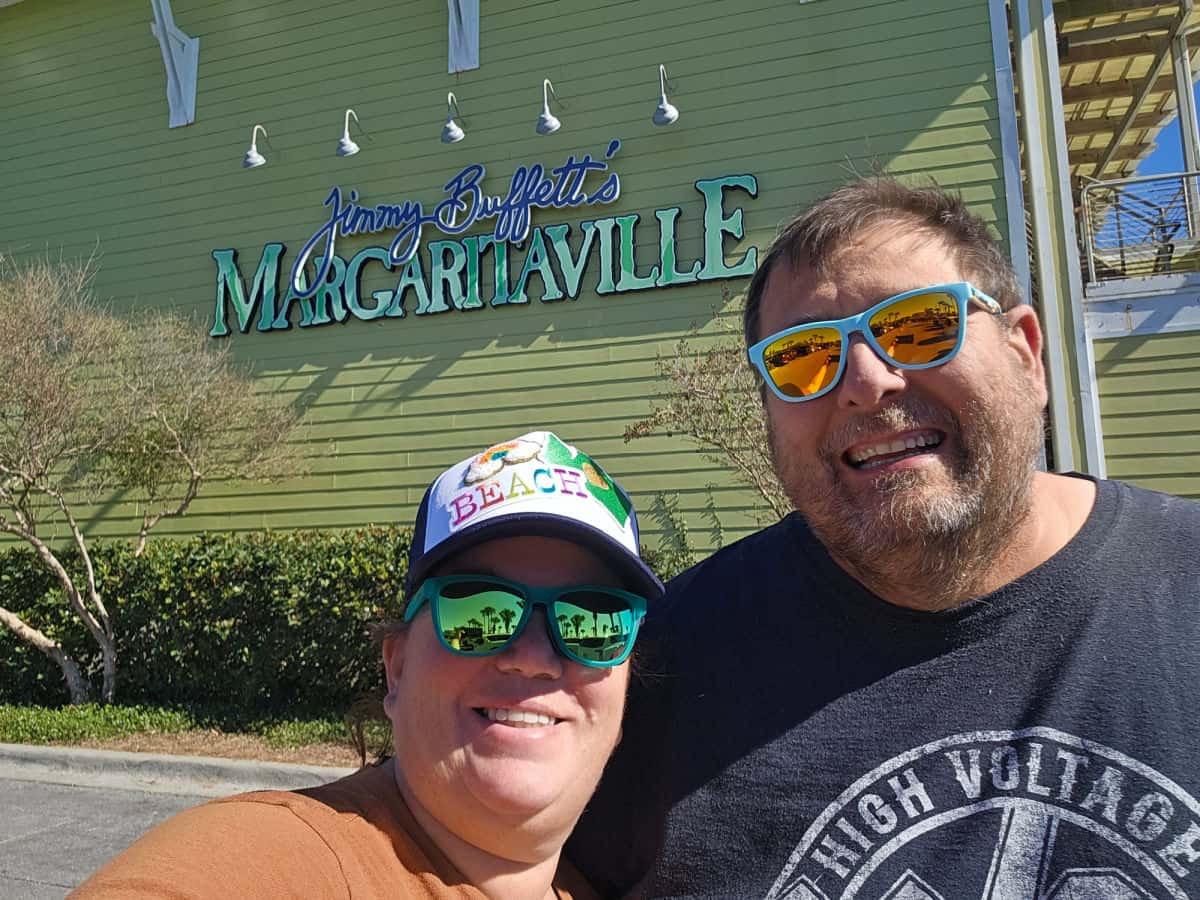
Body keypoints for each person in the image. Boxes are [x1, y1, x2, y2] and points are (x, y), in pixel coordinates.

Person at [568, 178, 1200, 898]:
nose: (865, 381)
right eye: (802, 357)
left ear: (1027, 353)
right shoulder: (665, 664)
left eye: (920, 325)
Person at [74, 430, 663, 899]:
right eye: (480, 610)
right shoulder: (279, 859)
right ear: (398, 668)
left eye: (594, 621)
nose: (534, 658)